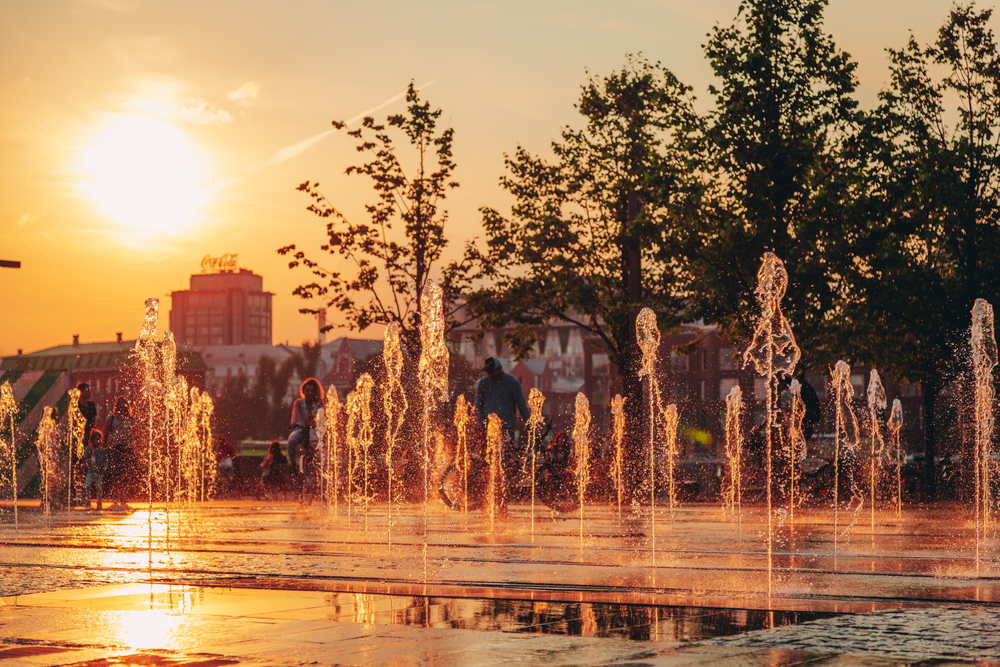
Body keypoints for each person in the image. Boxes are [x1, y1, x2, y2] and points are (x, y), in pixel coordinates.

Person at [288, 378, 324, 497]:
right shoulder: (299, 402)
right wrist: (293, 423)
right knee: (291, 441)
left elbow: (324, 417)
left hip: (314, 432)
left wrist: (320, 424)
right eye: (307, 390)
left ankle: (317, 475)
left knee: (317, 452)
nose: (309, 393)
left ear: (315, 392)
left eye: (312, 391)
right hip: (300, 429)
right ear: (303, 391)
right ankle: (293, 465)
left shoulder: (319, 404)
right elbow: (294, 415)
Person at [104, 396, 134, 511]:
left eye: (124, 404)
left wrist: (135, 446)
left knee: (125, 473)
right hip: (114, 446)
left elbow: (134, 433)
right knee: (115, 471)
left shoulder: (131, 419)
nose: (122, 406)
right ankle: (115, 495)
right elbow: (106, 431)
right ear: (116, 406)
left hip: (127, 447)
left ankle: (124, 496)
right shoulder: (111, 418)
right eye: (120, 404)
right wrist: (104, 445)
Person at [83, 429, 108, 510]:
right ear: (92, 439)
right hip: (90, 470)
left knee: (99, 487)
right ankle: (87, 500)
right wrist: (84, 465)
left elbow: (105, 460)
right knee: (87, 485)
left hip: (98, 471)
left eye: (99, 439)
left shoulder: (102, 450)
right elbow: (85, 458)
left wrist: (105, 467)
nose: (97, 441)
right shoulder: (88, 449)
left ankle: (99, 501)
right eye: (95, 439)